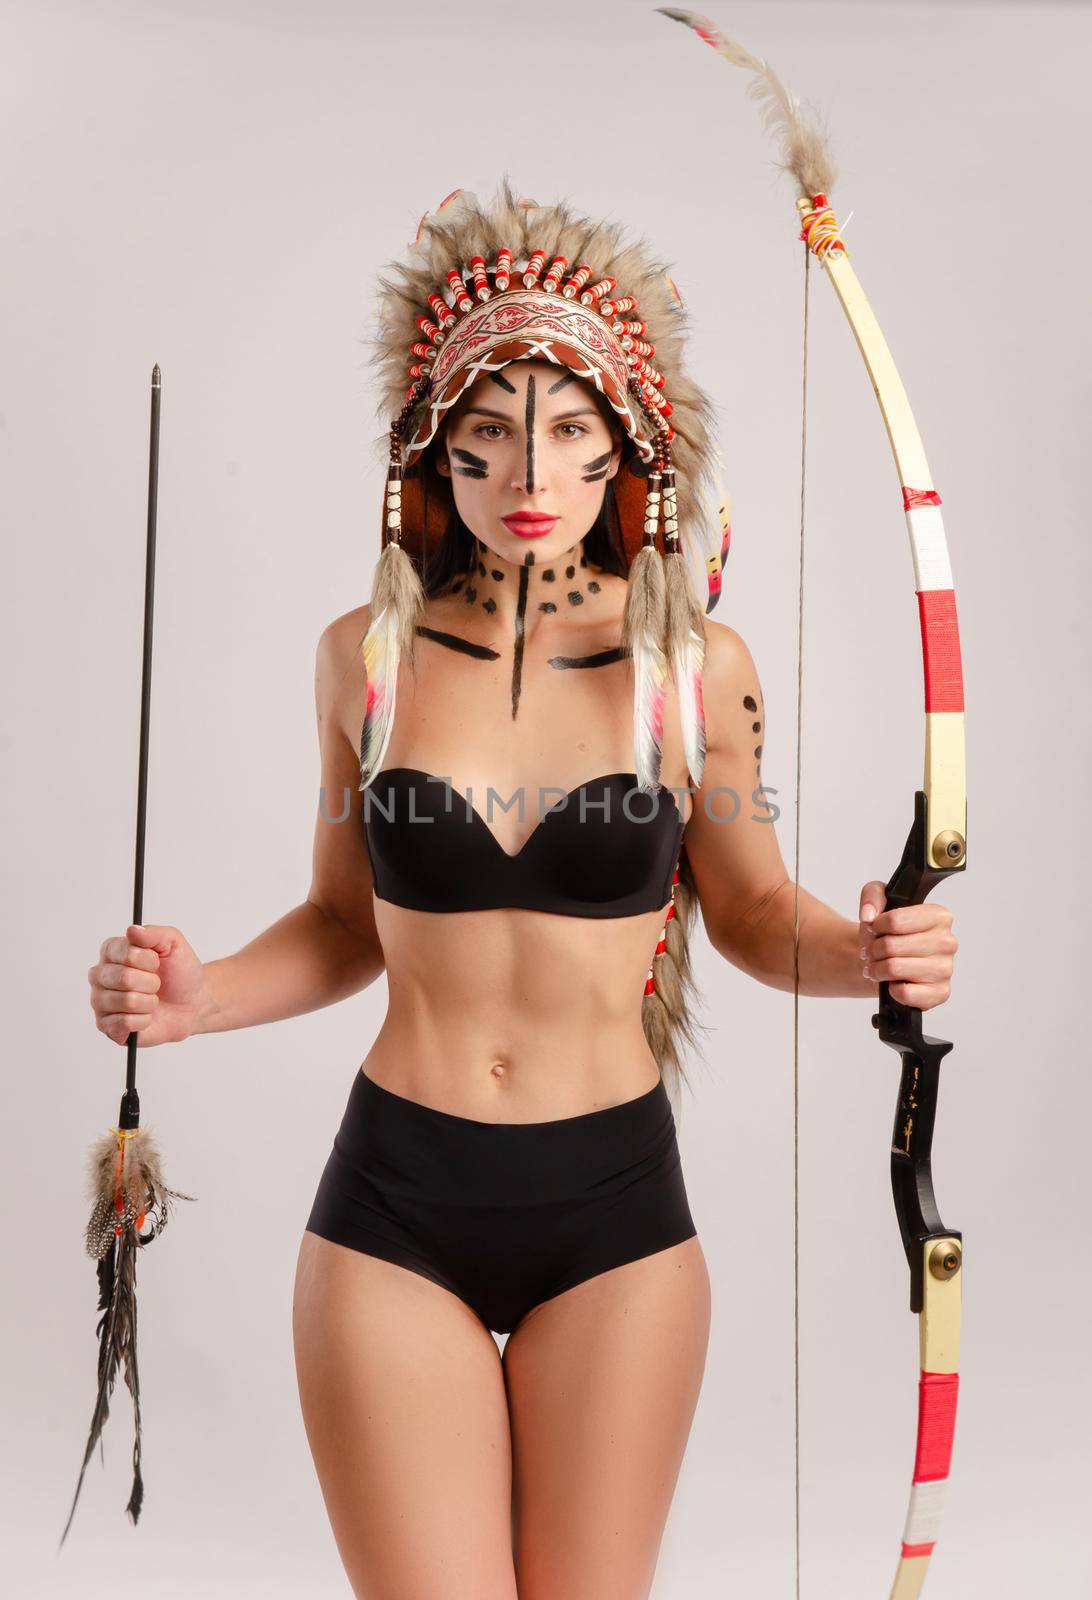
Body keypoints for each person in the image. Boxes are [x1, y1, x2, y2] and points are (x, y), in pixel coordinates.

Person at [86, 182, 958, 1600]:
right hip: (395, 1208)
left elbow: (748, 915)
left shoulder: (697, 670)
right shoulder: (362, 660)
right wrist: (202, 999)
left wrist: (871, 953)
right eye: (485, 435)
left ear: (628, 450)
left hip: (615, 1214)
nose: (527, 472)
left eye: (568, 429)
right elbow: (339, 924)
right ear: (430, 450)